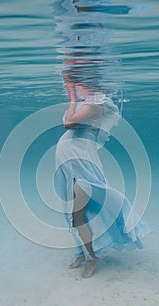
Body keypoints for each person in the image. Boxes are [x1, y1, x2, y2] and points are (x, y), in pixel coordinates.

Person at [54, 77, 150, 278]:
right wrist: (74, 96)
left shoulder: (95, 107)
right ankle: (82, 252)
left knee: (77, 215)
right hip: (71, 163)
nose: (77, 87)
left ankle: (92, 257)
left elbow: (68, 124)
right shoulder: (86, 104)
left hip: (83, 166)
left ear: (92, 87)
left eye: (80, 84)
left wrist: (72, 96)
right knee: (74, 214)